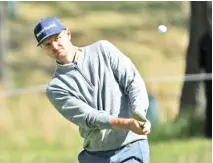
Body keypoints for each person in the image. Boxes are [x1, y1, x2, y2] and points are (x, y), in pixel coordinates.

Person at [34, 17, 151, 163]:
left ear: (68, 34)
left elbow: (133, 81)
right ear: (43, 49)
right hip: (95, 155)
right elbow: (90, 118)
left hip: (131, 146)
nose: (55, 46)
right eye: (47, 44)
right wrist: (127, 123)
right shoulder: (56, 88)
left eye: (58, 38)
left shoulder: (103, 49)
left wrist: (139, 112)